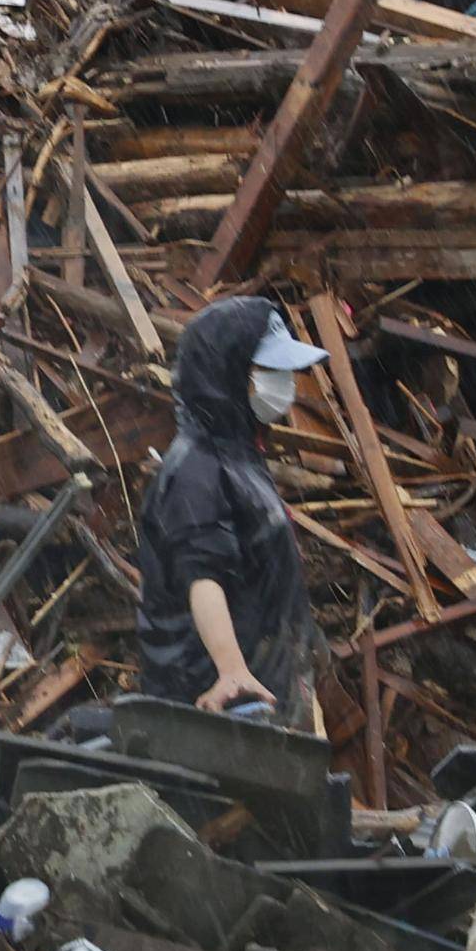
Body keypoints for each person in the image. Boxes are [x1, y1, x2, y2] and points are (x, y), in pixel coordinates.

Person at [133, 294, 330, 725]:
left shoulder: (238, 457)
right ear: (227, 375)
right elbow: (202, 575)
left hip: (265, 705)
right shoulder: (195, 471)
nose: (283, 382)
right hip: (220, 716)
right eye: (268, 371)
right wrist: (232, 671)